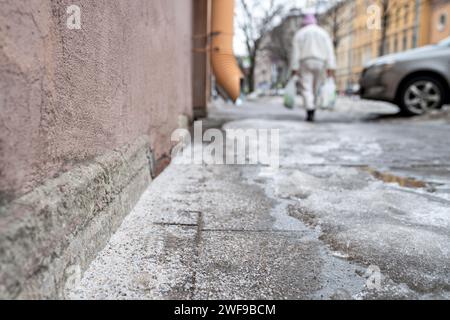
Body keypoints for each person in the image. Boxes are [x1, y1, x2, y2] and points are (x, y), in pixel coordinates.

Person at [291, 14, 337, 122]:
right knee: (317, 87)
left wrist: (294, 67)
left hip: (305, 61)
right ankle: (314, 107)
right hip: (320, 62)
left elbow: (295, 52)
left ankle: (310, 109)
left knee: (306, 87)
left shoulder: (300, 34)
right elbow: (329, 51)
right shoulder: (323, 33)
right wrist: (331, 66)